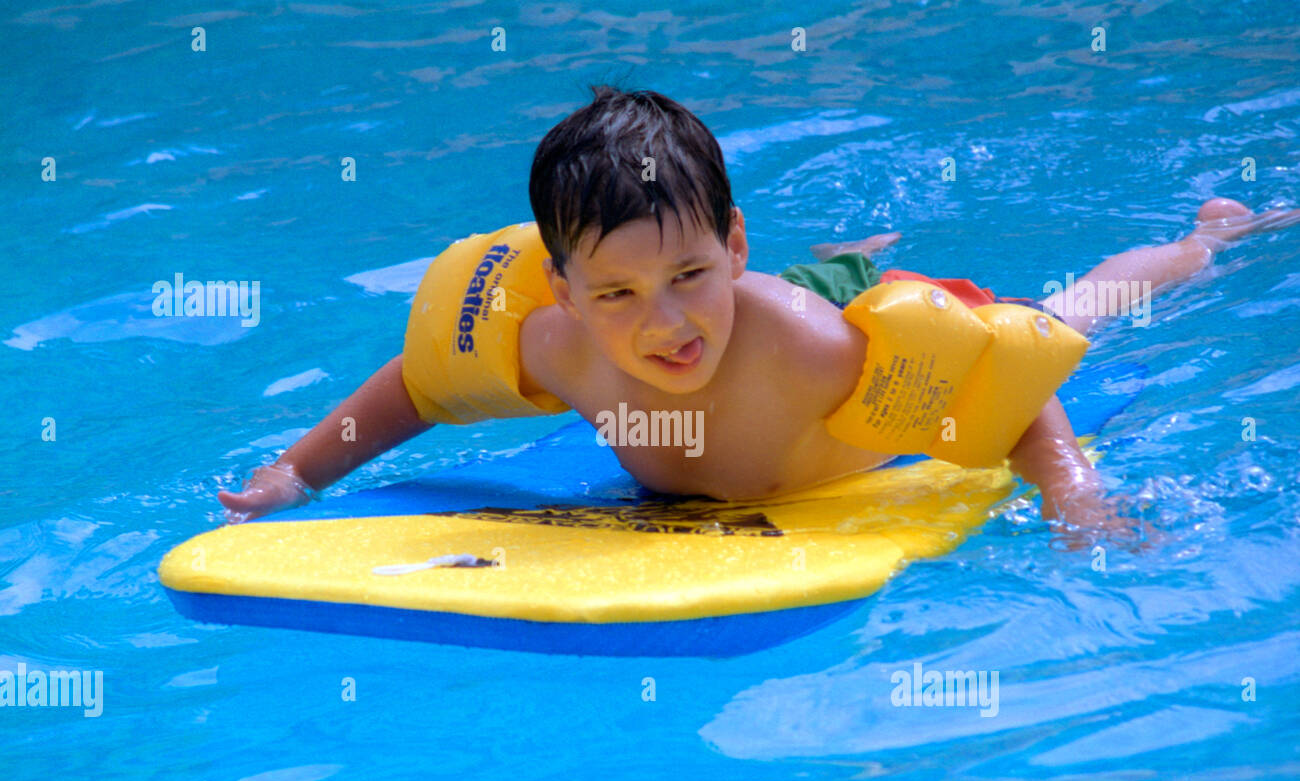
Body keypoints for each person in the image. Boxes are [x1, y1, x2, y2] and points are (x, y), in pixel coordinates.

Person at [218, 85, 1297, 537]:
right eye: (619, 296)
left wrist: (1069, 489)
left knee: (1074, 313)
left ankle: (1204, 237)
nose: (663, 327)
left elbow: (997, 381)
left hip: (859, 323)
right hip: (774, 300)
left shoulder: (804, 351)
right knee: (764, 286)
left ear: (731, 248)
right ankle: (843, 252)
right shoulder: (560, 344)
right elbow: (418, 386)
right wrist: (298, 472)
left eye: (690, 274)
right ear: (562, 294)